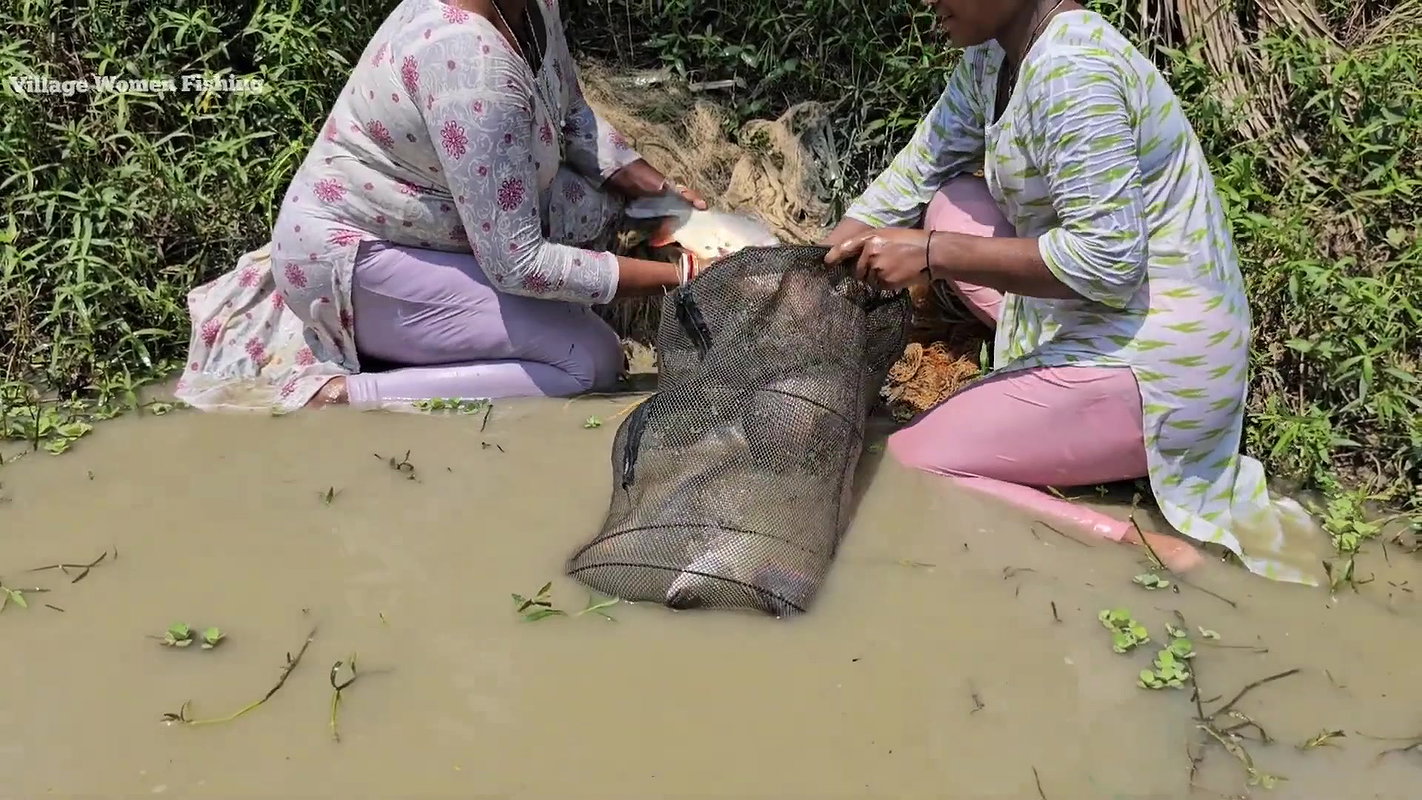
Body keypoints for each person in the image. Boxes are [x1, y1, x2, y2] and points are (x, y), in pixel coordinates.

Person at [822, 0, 1323, 583]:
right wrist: (818, 267)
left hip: (1160, 359)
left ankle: (1136, 541)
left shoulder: (1073, 70)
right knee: (951, 203)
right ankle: (1044, 393)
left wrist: (931, 255)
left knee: (911, 461)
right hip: (1092, 308)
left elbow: (1108, 263)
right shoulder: (993, 54)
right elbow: (921, 166)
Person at [176, 0, 708, 413]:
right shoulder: (470, 67)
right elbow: (518, 264)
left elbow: (569, 110)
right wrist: (681, 273)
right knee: (590, 361)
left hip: (435, 221)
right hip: (355, 259)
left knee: (598, 205)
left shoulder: (530, 7)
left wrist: (647, 182)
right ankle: (344, 396)